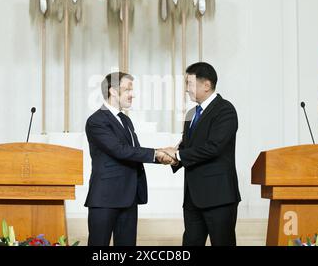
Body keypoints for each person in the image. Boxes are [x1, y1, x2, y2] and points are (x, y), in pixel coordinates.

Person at [85, 72, 173, 246]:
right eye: (128, 90)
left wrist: (161, 157)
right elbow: (120, 150)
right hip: (105, 198)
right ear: (113, 91)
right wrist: (158, 152)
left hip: (128, 196)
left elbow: (134, 151)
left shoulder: (125, 120)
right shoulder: (96, 121)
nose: (132, 94)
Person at [161, 62, 241, 246]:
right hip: (192, 198)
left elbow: (214, 147)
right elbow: (187, 145)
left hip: (218, 197)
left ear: (206, 85)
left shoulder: (225, 110)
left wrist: (178, 156)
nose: (186, 89)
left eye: (189, 84)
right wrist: (172, 158)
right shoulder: (191, 113)